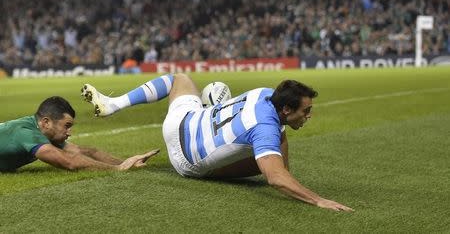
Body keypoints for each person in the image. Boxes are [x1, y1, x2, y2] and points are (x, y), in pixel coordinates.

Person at [81, 74, 353, 212]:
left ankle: (114, 104)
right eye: (305, 111)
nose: (309, 115)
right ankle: (282, 170)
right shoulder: (266, 128)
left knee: (180, 80)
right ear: (285, 109)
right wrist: (319, 201)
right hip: (184, 161)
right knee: (273, 167)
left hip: (181, 121)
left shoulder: (264, 93)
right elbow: (275, 179)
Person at [0, 96, 159, 172]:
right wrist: (117, 169)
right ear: (46, 122)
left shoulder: (42, 131)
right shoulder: (26, 132)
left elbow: (86, 152)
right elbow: (70, 162)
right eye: (66, 126)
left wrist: (126, 162)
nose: (69, 132)